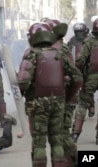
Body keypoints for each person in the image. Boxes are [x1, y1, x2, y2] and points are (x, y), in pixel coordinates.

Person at [18, 22, 83, 167]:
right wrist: (66, 98)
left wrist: (23, 93)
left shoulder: (31, 54)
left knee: (39, 142)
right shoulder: (59, 54)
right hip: (58, 104)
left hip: (37, 105)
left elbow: (22, 82)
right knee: (57, 140)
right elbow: (77, 78)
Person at [41, 17, 81, 167]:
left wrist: (67, 98)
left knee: (62, 134)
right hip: (62, 97)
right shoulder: (56, 47)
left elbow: (74, 77)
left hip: (64, 97)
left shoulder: (58, 49)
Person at [72, 18, 98, 145]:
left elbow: (80, 60)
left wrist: (78, 74)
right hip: (91, 77)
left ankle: (75, 133)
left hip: (90, 79)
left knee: (82, 104)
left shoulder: (89, 42)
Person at [67, 22, 95, 117]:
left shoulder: (90, 40)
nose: (79, 34)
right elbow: (68, 51)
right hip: (76, 65)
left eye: (80, 32)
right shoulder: (72, 40)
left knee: (87, 87)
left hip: (88, 66)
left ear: (85, 31)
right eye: (77, 32)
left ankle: (91, 106)